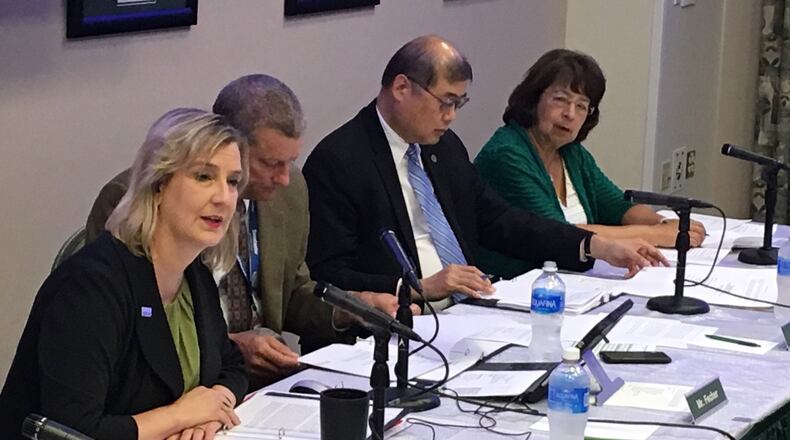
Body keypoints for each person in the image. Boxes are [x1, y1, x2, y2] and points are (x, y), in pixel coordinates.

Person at [85, 75, 409, 388]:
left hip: (265, 381)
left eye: (289, 162)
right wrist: (230, 346)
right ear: (228, 145)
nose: (283, 178)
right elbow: (130, 327)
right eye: (270, 163)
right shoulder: (133, 197)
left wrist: (352, 307)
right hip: (182, 385)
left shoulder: (291, 191)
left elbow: (293, 292)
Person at [303, 35, 667, 306]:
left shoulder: (443, 148)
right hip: (400, 322)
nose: (452, 116)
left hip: (470, 310)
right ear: (401, 87)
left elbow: (501, 221)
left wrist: (593, 246)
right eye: (445, 102)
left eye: (459, 104)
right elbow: (328, 274)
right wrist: (418, 286)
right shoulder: (340, 160)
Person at [1, 108, 248, 440]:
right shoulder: (91, 288)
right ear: (158, 184)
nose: (223, 197)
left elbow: (232, 366)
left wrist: (212, 412)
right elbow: (73, 431)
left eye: (232, 181)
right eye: (204, 176)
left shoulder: (194, 274)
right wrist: (178, 415)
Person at [474, 49, 706, 279]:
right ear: (534, 100)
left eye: (582, 106)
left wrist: (667, 224)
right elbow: (559, 234)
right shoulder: (507, 154)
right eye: (560, 100)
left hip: (572, 280)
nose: (570, 114)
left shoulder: (571, 153)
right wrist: (657, 234)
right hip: (516, 285)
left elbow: (618, 206)